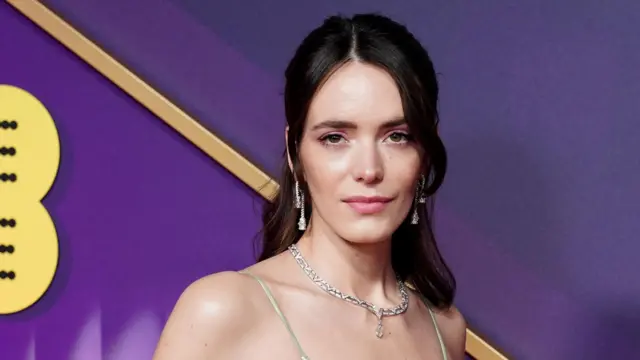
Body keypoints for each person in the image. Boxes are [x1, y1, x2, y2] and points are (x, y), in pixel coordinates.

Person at [153, 13, 466, 360]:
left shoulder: (444, 329)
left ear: (426, 152)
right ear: (294, 151)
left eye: (397, 137)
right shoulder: (224, 310)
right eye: (335, 138)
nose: (368, 169)